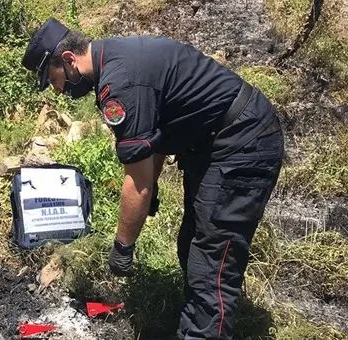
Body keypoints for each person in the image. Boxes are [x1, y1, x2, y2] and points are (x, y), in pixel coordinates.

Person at [22, 18, 284, 339]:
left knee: (211, 260)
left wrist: (123, 246)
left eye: (54, 80)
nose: (59, 91)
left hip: (242, 143)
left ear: (68, 61)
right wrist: (154, 181)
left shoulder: (120, 85)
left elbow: (137, 182)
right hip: (214, 144)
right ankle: (199, 322)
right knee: (193, 244)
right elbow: (153, 139)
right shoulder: (115, 57)